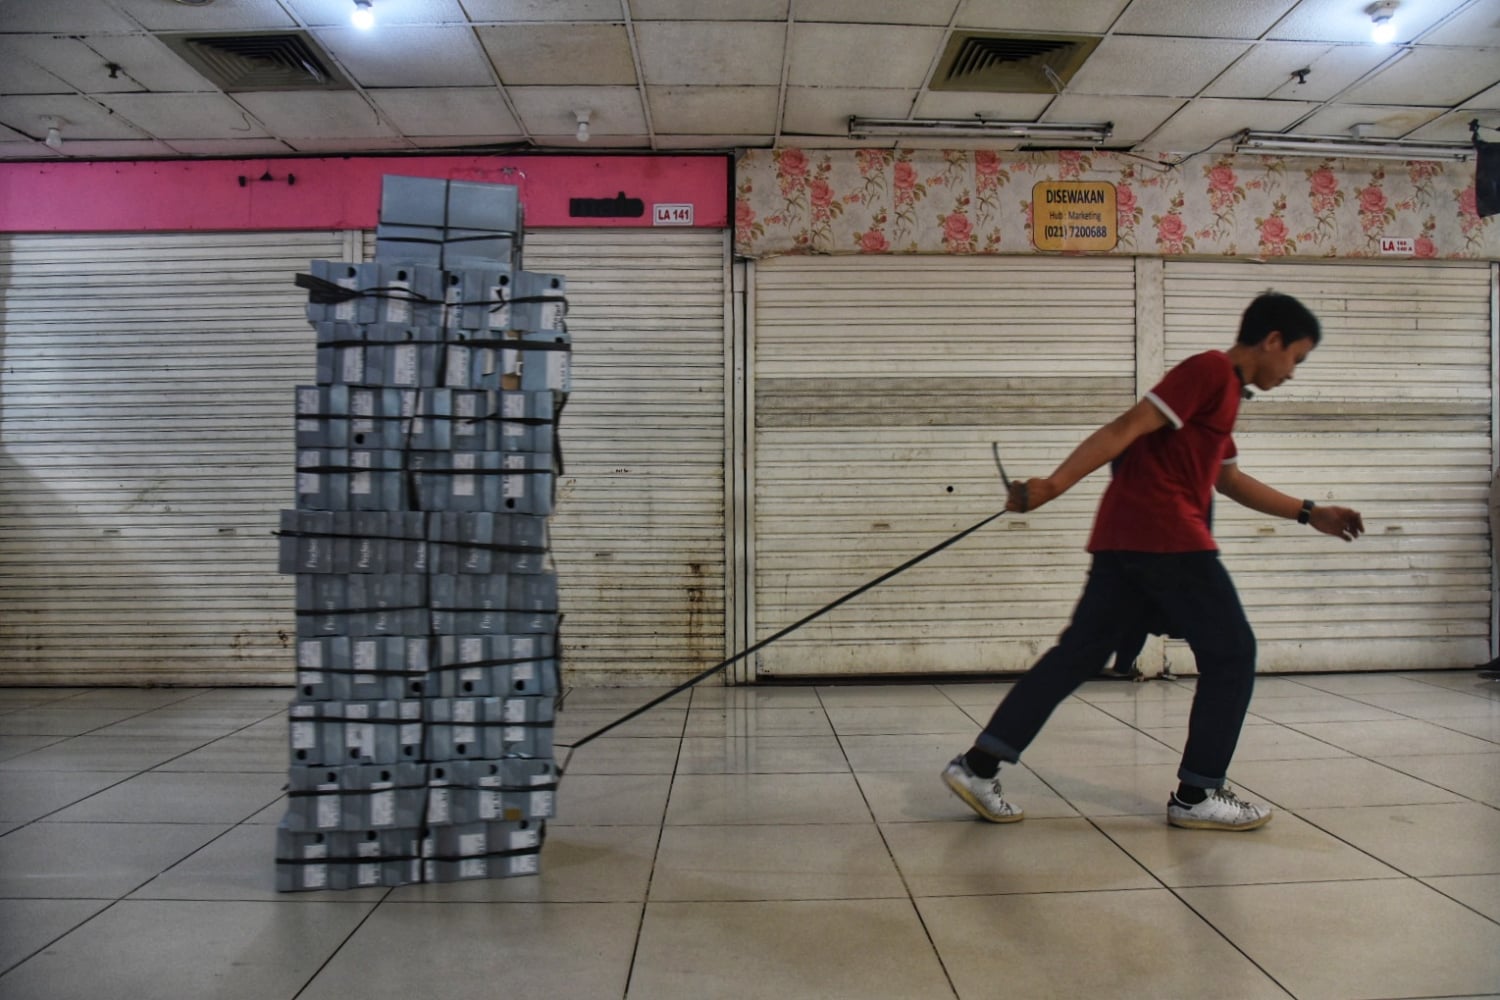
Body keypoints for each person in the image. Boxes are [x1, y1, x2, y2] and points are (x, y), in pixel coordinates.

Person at [942, 292, 1365, 831]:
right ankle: (1198, 794)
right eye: (1296, 359)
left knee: (1076, 655)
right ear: (1272, 340)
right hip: (1168, 537)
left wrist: (1310, 512)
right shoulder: (1209, 371)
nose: (1293, 373)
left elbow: (1229, 480)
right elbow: (1125, 428)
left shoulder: (1224, 395)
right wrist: (1052, 485)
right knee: (1232, 653)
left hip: (1125, 538)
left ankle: (977, 767)